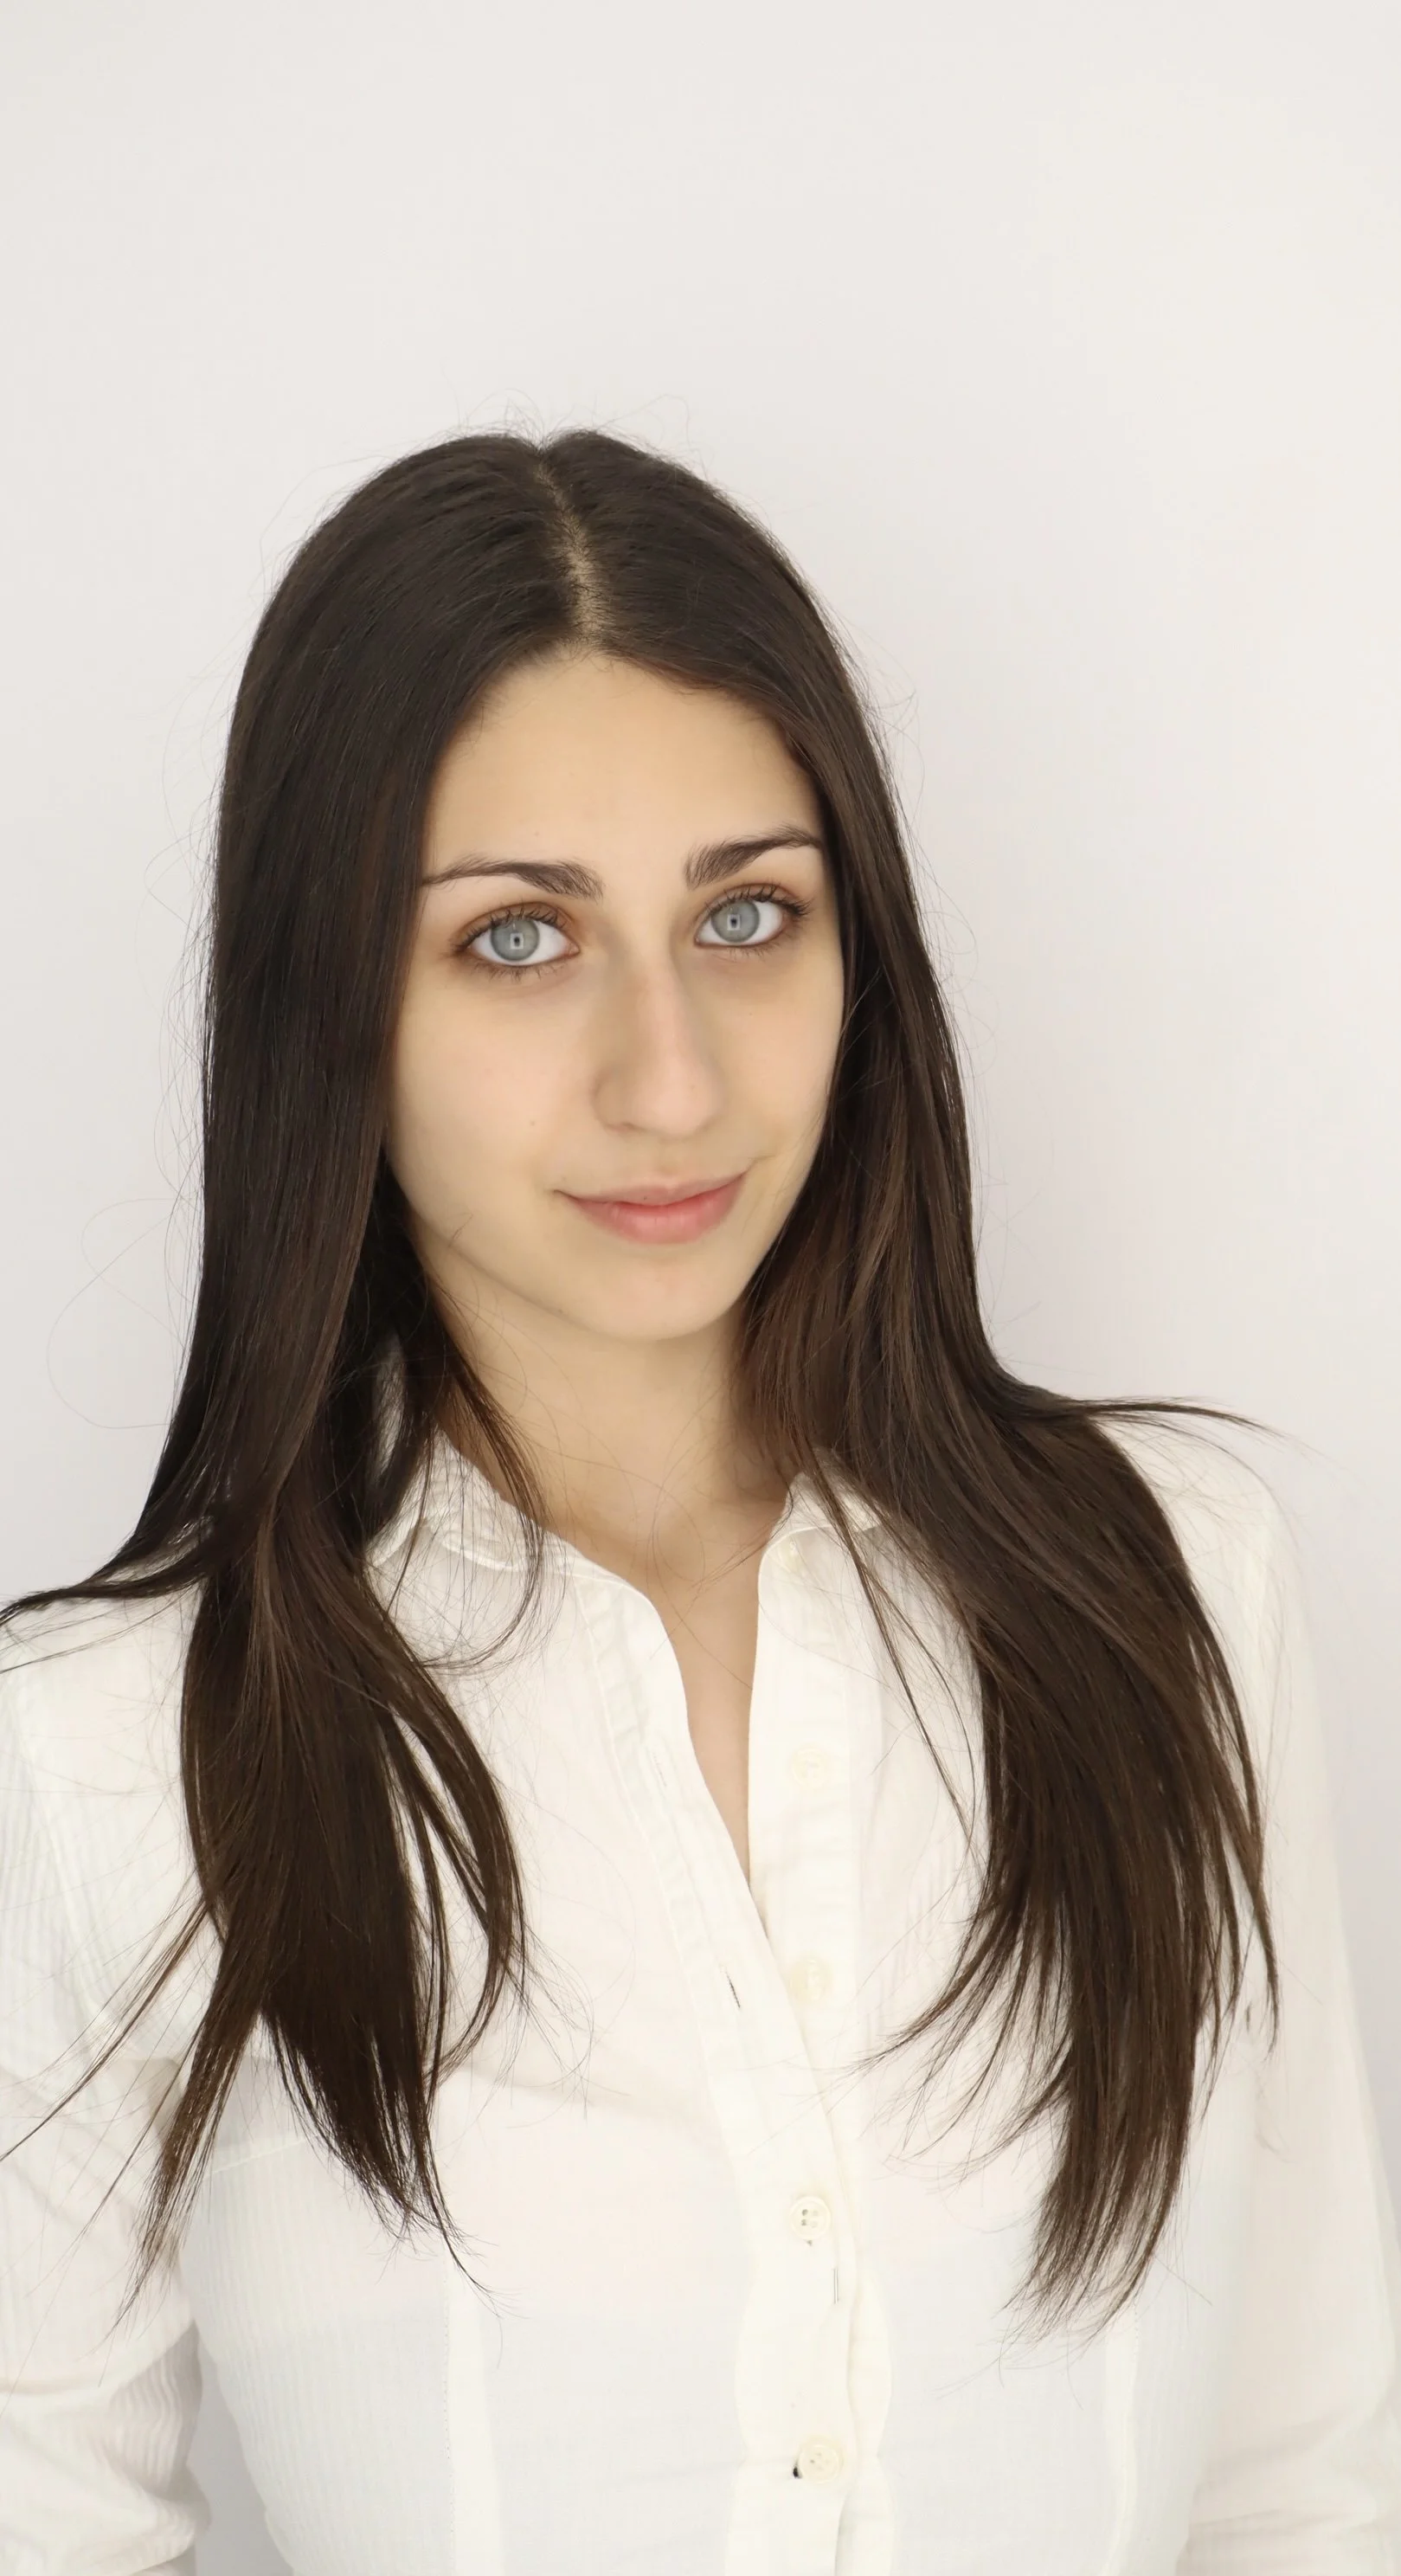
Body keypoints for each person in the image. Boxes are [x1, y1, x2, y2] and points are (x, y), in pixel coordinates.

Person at [2, 428, 1398, 2576]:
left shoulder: (1178, 1592)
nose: (670, 1077)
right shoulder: (96, 1763)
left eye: (747, 915)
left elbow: (1303, 2490)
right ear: (331, 1008)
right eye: (514, 943)